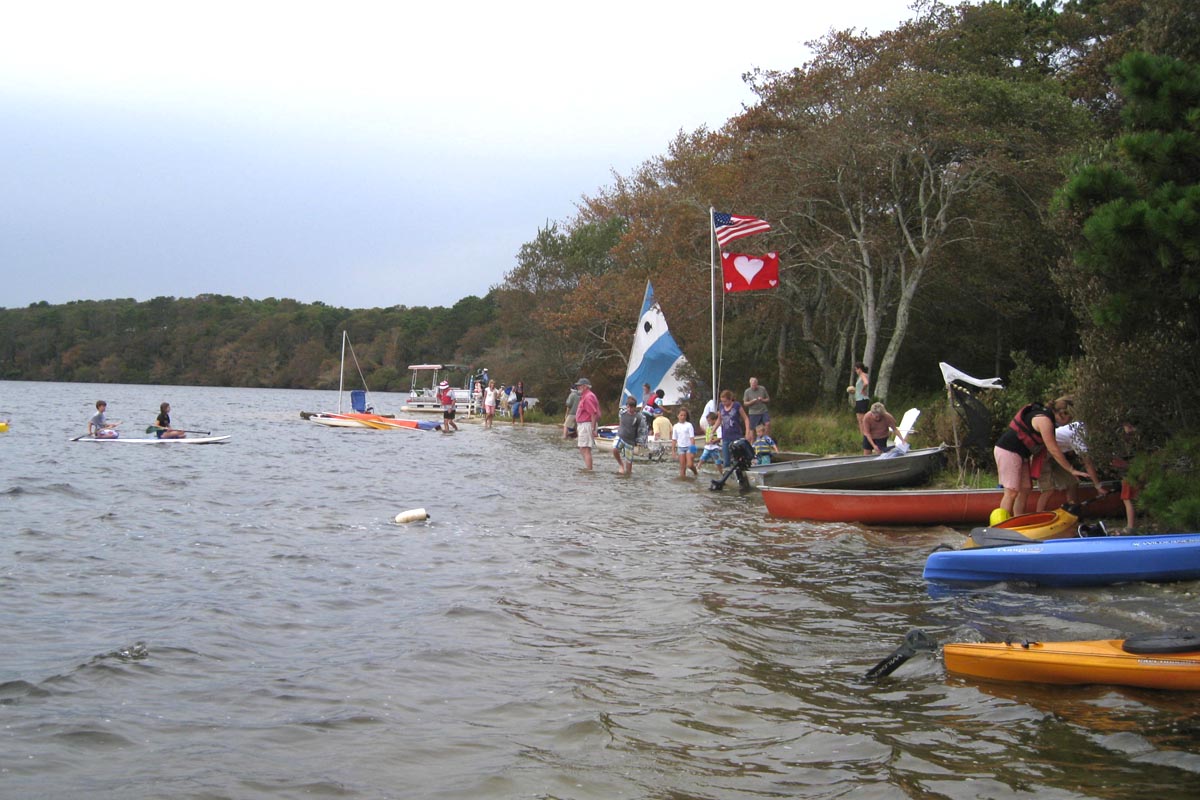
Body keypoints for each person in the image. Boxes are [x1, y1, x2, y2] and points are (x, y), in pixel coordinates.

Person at [993, 396, 1090, 516]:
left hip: (1021, 454)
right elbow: (1053, 449)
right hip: (1008, 450)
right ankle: (1002, 526)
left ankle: (1018, 520)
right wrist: (1071, 470)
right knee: (1011, 492)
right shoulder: (1044, 421)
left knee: (1026, 489)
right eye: (1069, 418)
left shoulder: (1048, 419)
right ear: (1062, 414)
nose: (1069, 422)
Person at [1034, 400, 1106, 512]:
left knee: (1072, 482)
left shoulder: (1081, 427)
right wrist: (1098, 486)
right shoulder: (1078, 433)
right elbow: (1088, 463)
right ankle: (1038, 516)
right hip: (1041, 456)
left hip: (1056, 457)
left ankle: (1072, 512)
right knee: (1048, 490)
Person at [613, 396, 648, 475]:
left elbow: (643, 430)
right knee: (615, 449)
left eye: (632, 408)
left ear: (635, 407)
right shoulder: (622, 413)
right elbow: (621, 420)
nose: (630, 409)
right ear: (626, 406)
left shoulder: (639, 417)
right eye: (628, 407)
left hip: (630, 441)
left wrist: (641, 442)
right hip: (621, 436)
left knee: (629, 467)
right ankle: (621, 464)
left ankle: (628, 475)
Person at [718, 389, 752, 467]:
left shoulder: (737, 405)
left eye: (725, 401)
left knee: (738, 459)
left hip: (736, 436)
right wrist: (713, 430)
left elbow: (746, 418)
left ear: (730, 399)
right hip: (726, 436)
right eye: (722, 401)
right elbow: (719, 419)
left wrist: (747, 432)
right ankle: (728, 476)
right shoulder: (721, 406)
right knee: (726, 461)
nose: (724, 403)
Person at [574, 378, 600, 470]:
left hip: (587, 424)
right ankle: (588, 469)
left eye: (579, 386)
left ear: (585, 386)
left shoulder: (588, 397)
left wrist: (593, 429)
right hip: (584, 424)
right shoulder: (586, 396)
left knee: (585, 449)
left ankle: (589, 470)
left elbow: (593, 413)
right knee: (583, 448)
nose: (578, 387)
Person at [672, 408, 699, 478]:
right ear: (678, 416)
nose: (683, 417)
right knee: (682, 467)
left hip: (689, 447)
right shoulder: (675, 426)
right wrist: (673, 451)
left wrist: (693, 451)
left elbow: (692, 438)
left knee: (689, 465)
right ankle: (683, 482)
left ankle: (695, 472)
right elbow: (674, 439)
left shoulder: (689, 425)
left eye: (684, 415)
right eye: (681, 415)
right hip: (680, 448)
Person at [852, 363, 871, 445]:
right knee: (859, 419)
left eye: (856, 369)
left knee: (863, 420)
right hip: (859, 399)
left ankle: (866, 436)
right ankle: (862, 436)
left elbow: (866, 383)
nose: (856, 371)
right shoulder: (860, 377)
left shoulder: (863, 375)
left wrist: (863, 390)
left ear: (859, 369)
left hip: (862, 399)